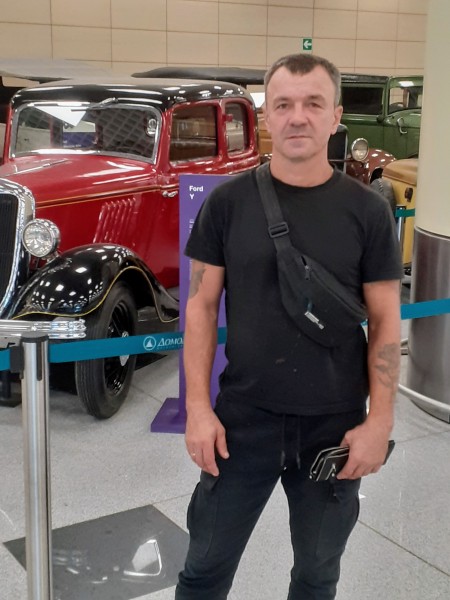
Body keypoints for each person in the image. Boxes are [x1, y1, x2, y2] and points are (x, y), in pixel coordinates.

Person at [175, 53, 402, 600]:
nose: (298, 116)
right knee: (203, 571)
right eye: (283, 105)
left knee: (318, 575)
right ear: (266, 117)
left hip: (334, 427)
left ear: (335, 116)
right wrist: (198, 410)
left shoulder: (368, 212)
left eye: (313, 104)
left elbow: (385, 320)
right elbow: (201, 308)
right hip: (241, 423)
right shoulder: (227, 204)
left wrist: (379, 423)